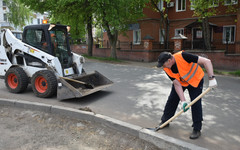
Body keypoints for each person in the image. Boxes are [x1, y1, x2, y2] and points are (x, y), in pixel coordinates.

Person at [157, 51, 217, 139]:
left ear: (169, 60)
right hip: (181, 83)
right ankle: (165, 121)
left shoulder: (183, 56)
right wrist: (183, 101)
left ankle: (197, 129)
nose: (163, 66)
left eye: (163, 64)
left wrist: (211, 78)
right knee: (172, 99)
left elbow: (207, 61)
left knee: (195, 103)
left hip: (195, 81)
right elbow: (177, 84)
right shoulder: (166, 68)